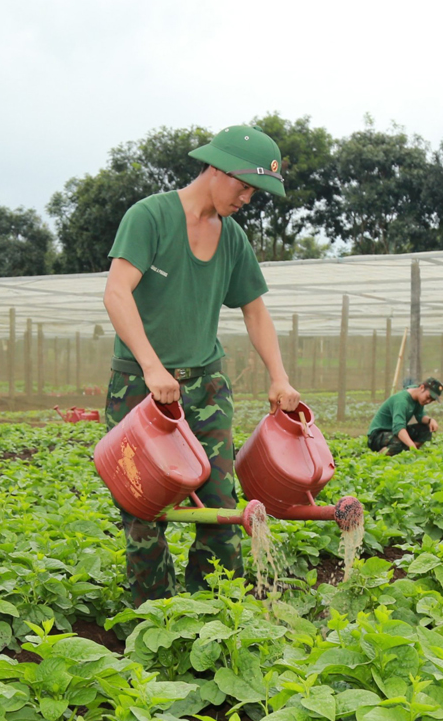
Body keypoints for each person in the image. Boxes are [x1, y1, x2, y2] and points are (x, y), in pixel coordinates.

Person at [101, 124, 300, 604]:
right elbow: (116, 292)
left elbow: (255, 310)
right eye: (245, 186)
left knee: (220, 502)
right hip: (140, 390)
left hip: (205, 387)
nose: (248, 198)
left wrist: (280, 378)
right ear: (217, 168)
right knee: (144, 509)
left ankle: (213, 610)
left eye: (255, 191)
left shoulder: (232, 238)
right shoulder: (149, 217)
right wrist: (151, 367)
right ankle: (153, 615)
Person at [368, 378, 443, 454]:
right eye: (428, 397)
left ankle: (405, 452)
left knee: (426, 429)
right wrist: (412, 446)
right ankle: (381, 455)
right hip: (377, 435)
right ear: (422, 388)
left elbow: (420, 416)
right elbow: (399, 428)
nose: (428, 401)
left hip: (392, 431)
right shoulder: (401, 401)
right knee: (398, 443)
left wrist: (430, 420)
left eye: (431, 400)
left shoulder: (418, 398)